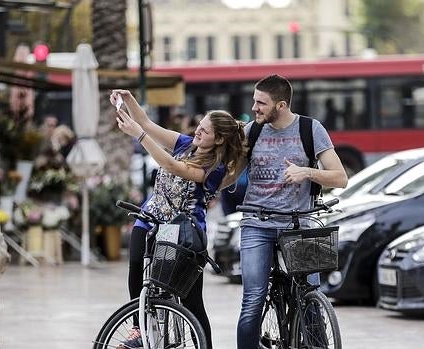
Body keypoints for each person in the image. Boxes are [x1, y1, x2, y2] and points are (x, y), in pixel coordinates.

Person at [109, 89, 247, 349]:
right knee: (136, 265)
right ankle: (139, 329)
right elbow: (148, 124)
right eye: (199, 126)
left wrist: (138, 136)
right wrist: (128, 100)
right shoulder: (186, 143)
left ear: (218, 139)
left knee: (192, 302)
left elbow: (173, 166)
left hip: (183, 230)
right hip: (151, 216)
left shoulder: (214, 169)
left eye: (204, 131)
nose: (198, 132)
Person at [235, 74, 348, 349]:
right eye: (254, 101)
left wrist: (306, 172)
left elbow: (340, 177)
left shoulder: (310, 129)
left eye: (261, 103)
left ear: (281, 105)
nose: (254, 108)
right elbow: (230, 176)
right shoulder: (252, 131)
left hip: (299, 225)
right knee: (253, 300)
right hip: (256, 225)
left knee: (309, 296)